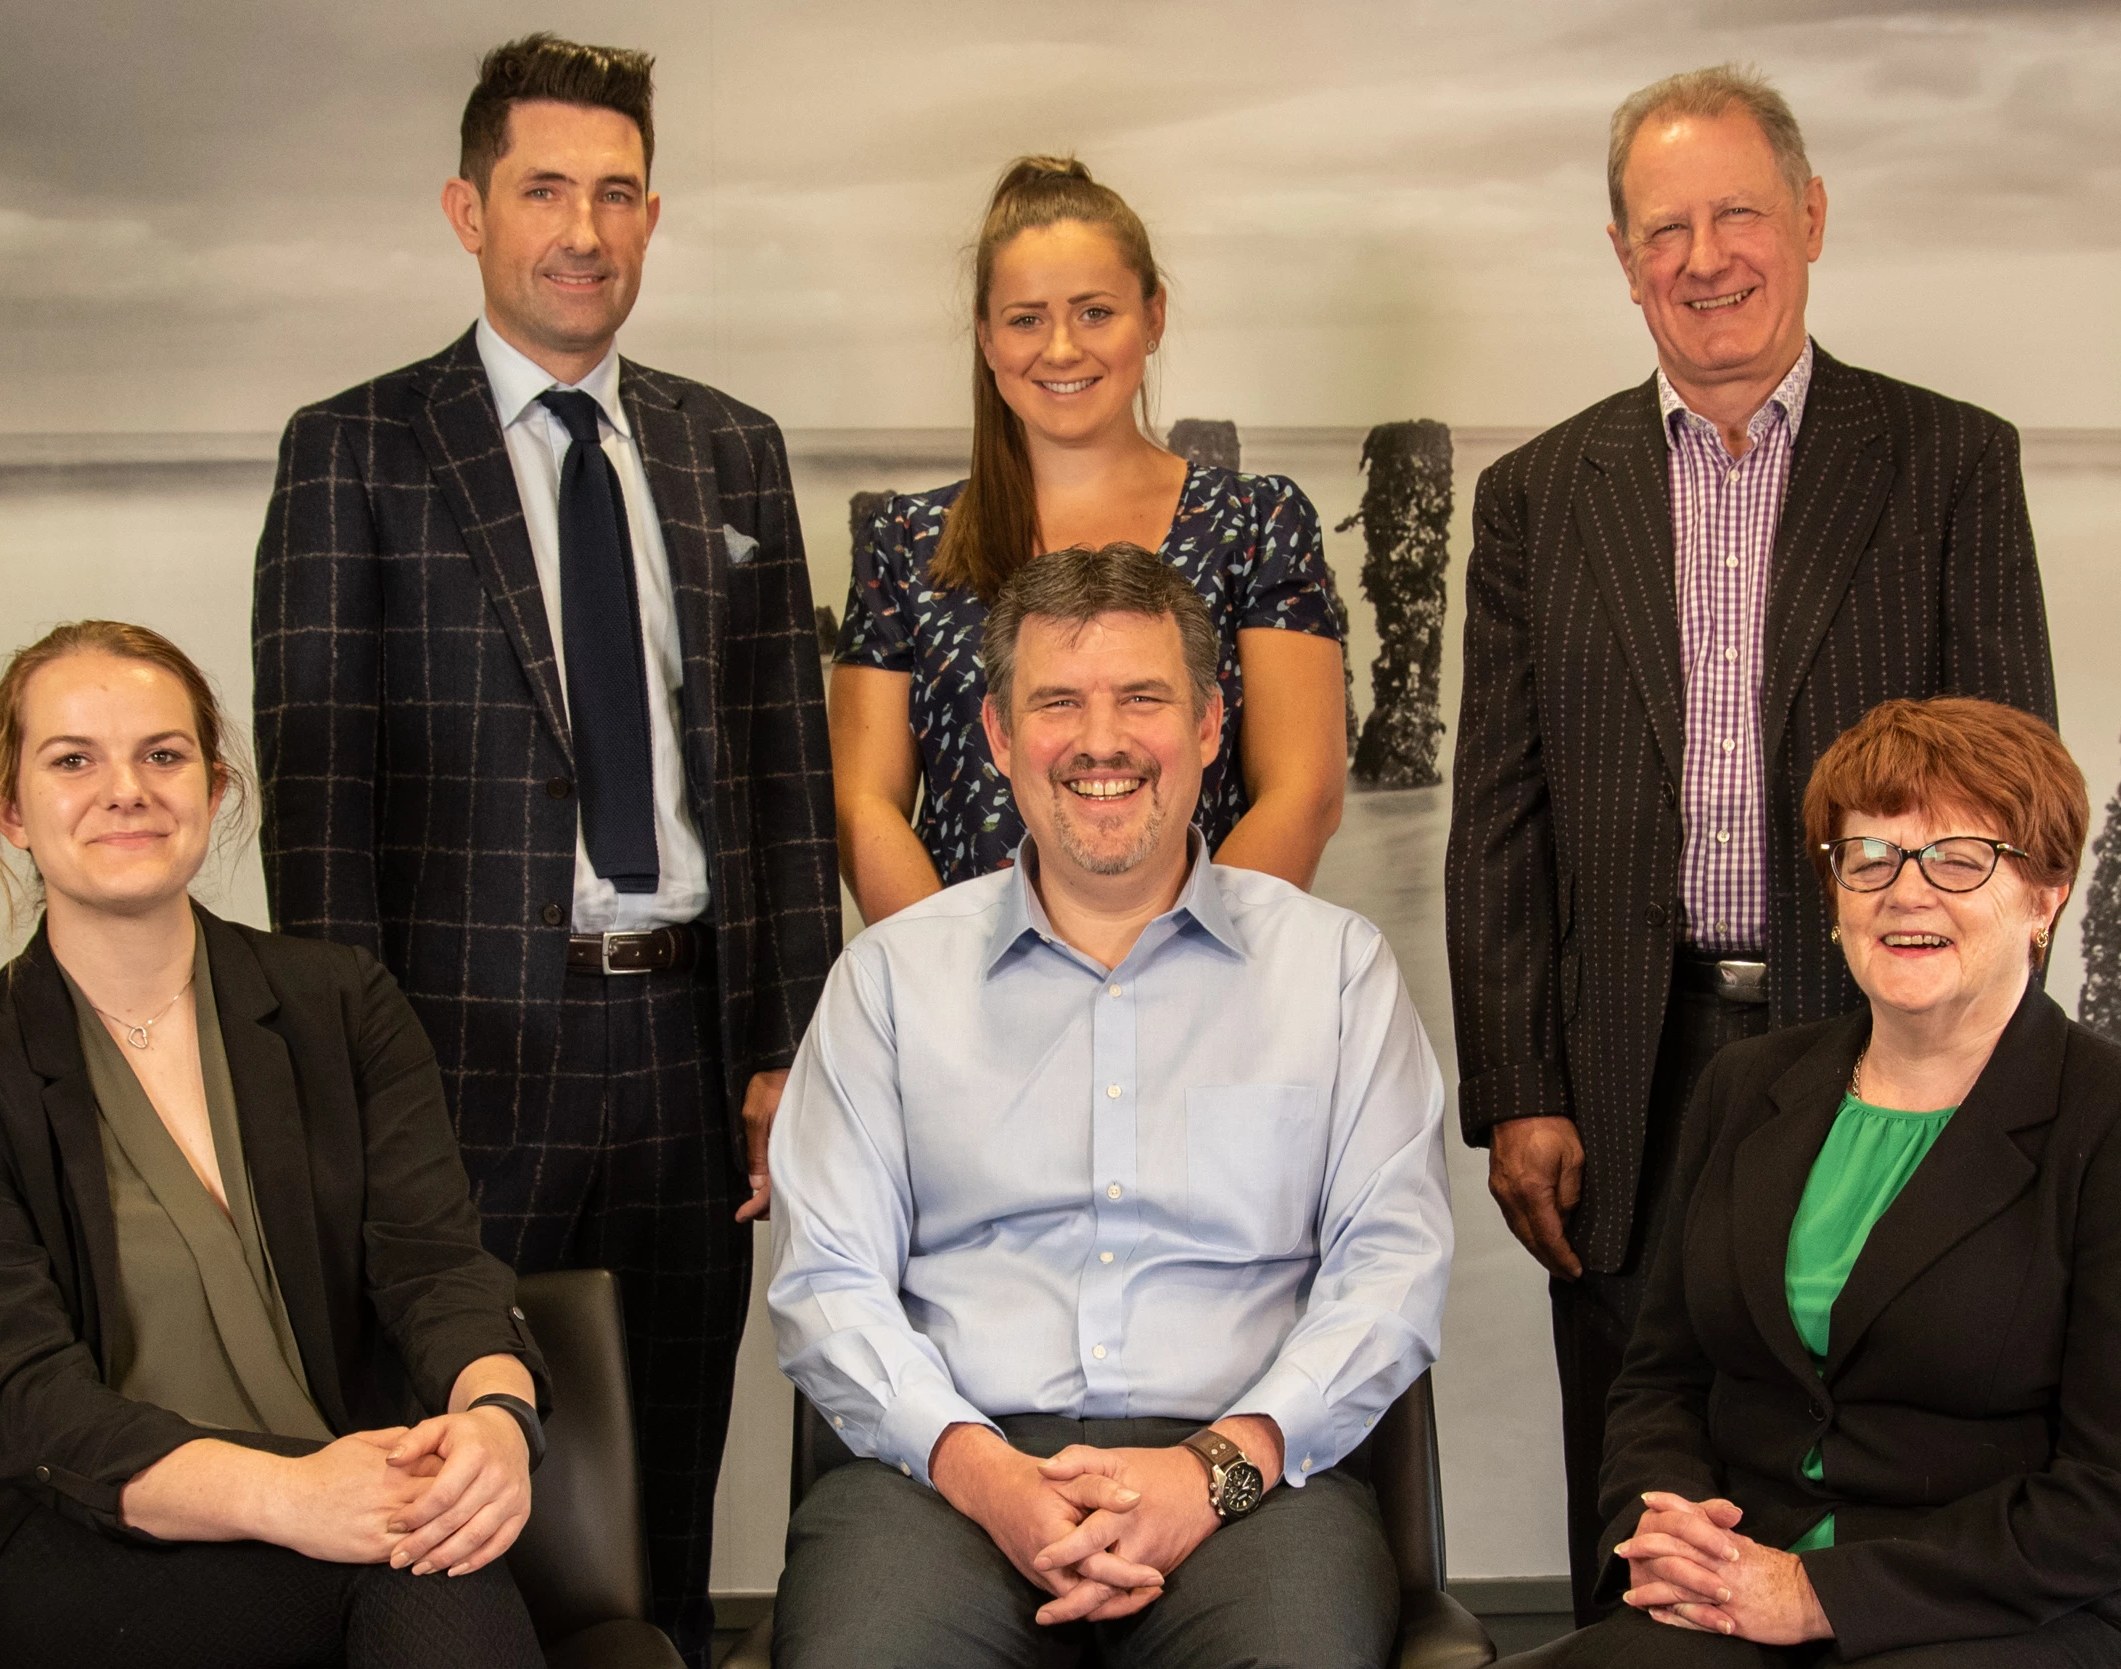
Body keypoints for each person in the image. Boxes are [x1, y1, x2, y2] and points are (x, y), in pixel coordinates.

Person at [252, 34, 839, 1661]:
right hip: (452, 1063)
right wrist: (358, 1103)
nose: (583, 228)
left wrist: (787, 1045)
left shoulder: (735, 451)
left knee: (660, 1486)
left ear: (653, 214)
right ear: (468, 208)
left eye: (617, 191)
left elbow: (784, 773)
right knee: (463, 1498)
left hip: (687, 1053)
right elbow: (319, 817)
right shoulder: (356, 450)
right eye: (544, 190)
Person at [1443, 64, 2058, 1617]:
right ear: (1620, 251)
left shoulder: (1948, 464)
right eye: (1666, 226)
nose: (1704, 255)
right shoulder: (1533, 497)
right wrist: (1518, 1087)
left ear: (1811, 219)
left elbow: (2019, 795)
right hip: (1626, 1066)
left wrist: (1990, 1053)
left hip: (1886, 1029)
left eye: (1737, 214)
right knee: (1648, 1460)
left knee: (1883, 1404)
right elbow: (1501, 815)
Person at [768, 544, 1452, 1667]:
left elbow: (1390, 1268)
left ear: (1209, 725)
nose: (1101, 741)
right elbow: (826, 1280)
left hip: (1247, 1489)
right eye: (1057, 703)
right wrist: (987, 1477)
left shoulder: (1334, 971)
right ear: (997, 736)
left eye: (1144, 698)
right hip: (945, 1482)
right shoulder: (890, 979)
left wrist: (1210, 1471)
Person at [0, 623, 549, 1669]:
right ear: (11, 810)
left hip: (342, 1490)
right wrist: (290, 1495)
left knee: (435, 1575)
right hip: (77, 1527)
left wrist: (498, 1417)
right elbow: (27, 1400)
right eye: (74, 758)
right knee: (410, 1568)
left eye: (163, 753)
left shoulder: (344, 1004)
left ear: (215, 787)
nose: (126, 788)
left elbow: (434, 1261)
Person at [1502, 696, 2121, 1668]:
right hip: (1747, 1587)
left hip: (2040, 1612)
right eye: (1868, 857)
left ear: (2045, 891)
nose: (1904, 892)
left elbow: (2118, 1500)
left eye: (1958, 857)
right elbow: (1661, 1379)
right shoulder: (1746, 1085)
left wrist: (1813, 1592)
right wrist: (1665, 1527)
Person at [829, 155, 1349, 922]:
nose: (1062, 348)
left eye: (1095, 311)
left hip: (1207, 1004)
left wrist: (1170, 971)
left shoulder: (1256, 526)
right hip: (973, 1012)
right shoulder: (907, 544)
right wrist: (948, 983)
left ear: (1154, 316)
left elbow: (1304, 792)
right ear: (985, 337)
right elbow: (863, 805)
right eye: (1026, 317)